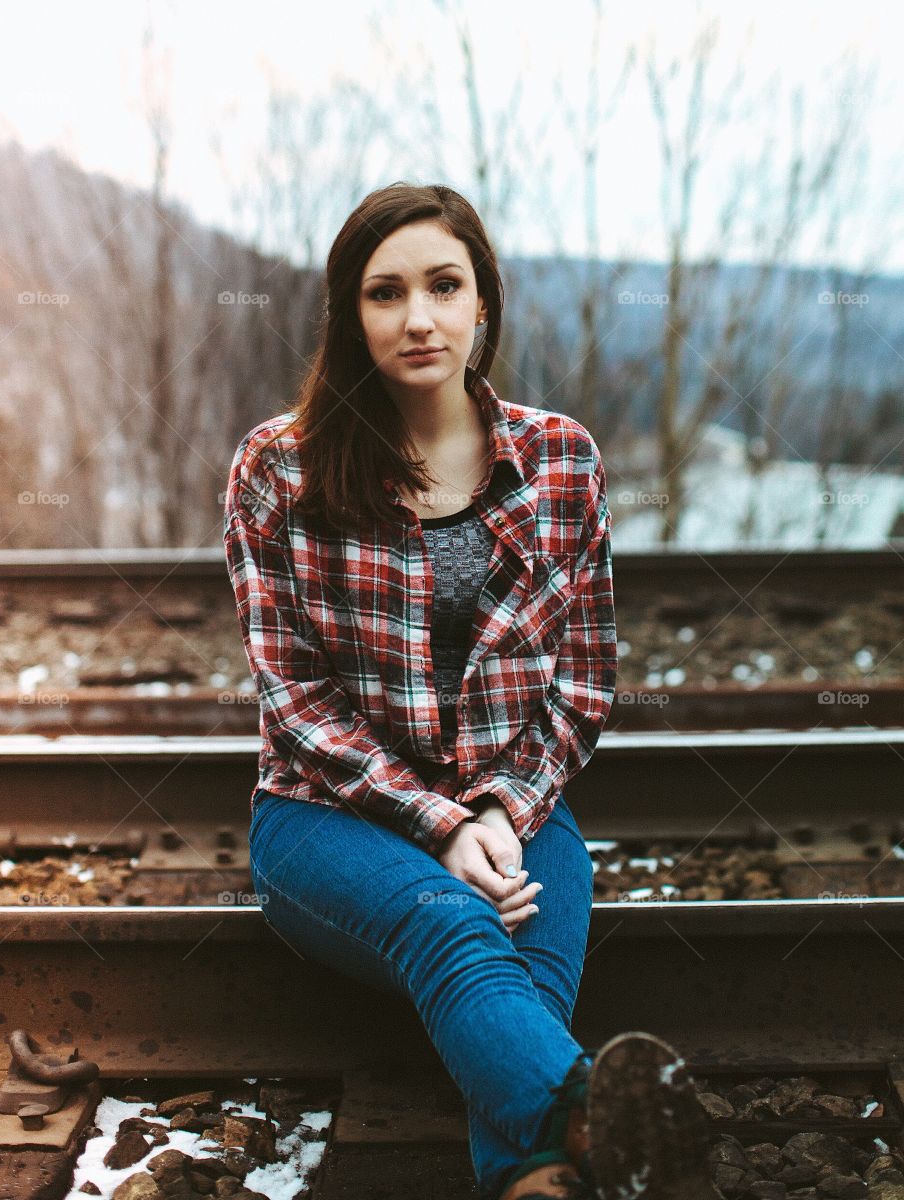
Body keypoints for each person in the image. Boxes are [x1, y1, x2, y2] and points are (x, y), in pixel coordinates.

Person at [223, 182, 716, 1199]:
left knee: (526, 962)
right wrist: (443, 826)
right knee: (455, 923)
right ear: (348, 317)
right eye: (384, 293)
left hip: (516, 806)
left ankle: (538, 1180)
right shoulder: (280, 468)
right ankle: (603, 1123)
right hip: (326, 818)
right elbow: (295, 702)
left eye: (444, 286)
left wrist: (499, 806)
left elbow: (581, 686)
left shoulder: (560, 460)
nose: (418, 318)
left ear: (481, 301)